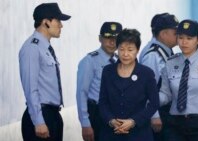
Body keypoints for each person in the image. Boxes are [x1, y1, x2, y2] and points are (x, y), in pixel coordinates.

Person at [19, 3, 70, 141]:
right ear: (46, 22)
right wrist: (38, 121)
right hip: (41, 117)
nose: (61, 25)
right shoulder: (32, 48)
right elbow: (30, 88)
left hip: (52, 115)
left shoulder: (44, 47)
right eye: (58, 20)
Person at [98, 29, 159, 141]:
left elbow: (154, 103)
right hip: (111, 133)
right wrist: (111, 121)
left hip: (139, 134)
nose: (125, 54)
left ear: (137, 50)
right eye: (121, 49)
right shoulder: (108, 71)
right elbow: (103, 101)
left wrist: (133, 121)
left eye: (130, 50)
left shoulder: (146, 73)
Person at [76, 22, 122, 141]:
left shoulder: (121, 61)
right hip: (97, 114)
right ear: (100, 38)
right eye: (108, 38)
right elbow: (82, 93)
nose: (112, 42)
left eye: (116, 38)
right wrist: (85, 123)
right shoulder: (89, 61)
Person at [139, 13, 179, 141]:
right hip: (159, 113)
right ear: (163, 34)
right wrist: (154, 115)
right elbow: (146, 89)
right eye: (175, 32)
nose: (178, 35)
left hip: (167, 111)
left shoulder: (166, 51)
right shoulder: (153, 56)